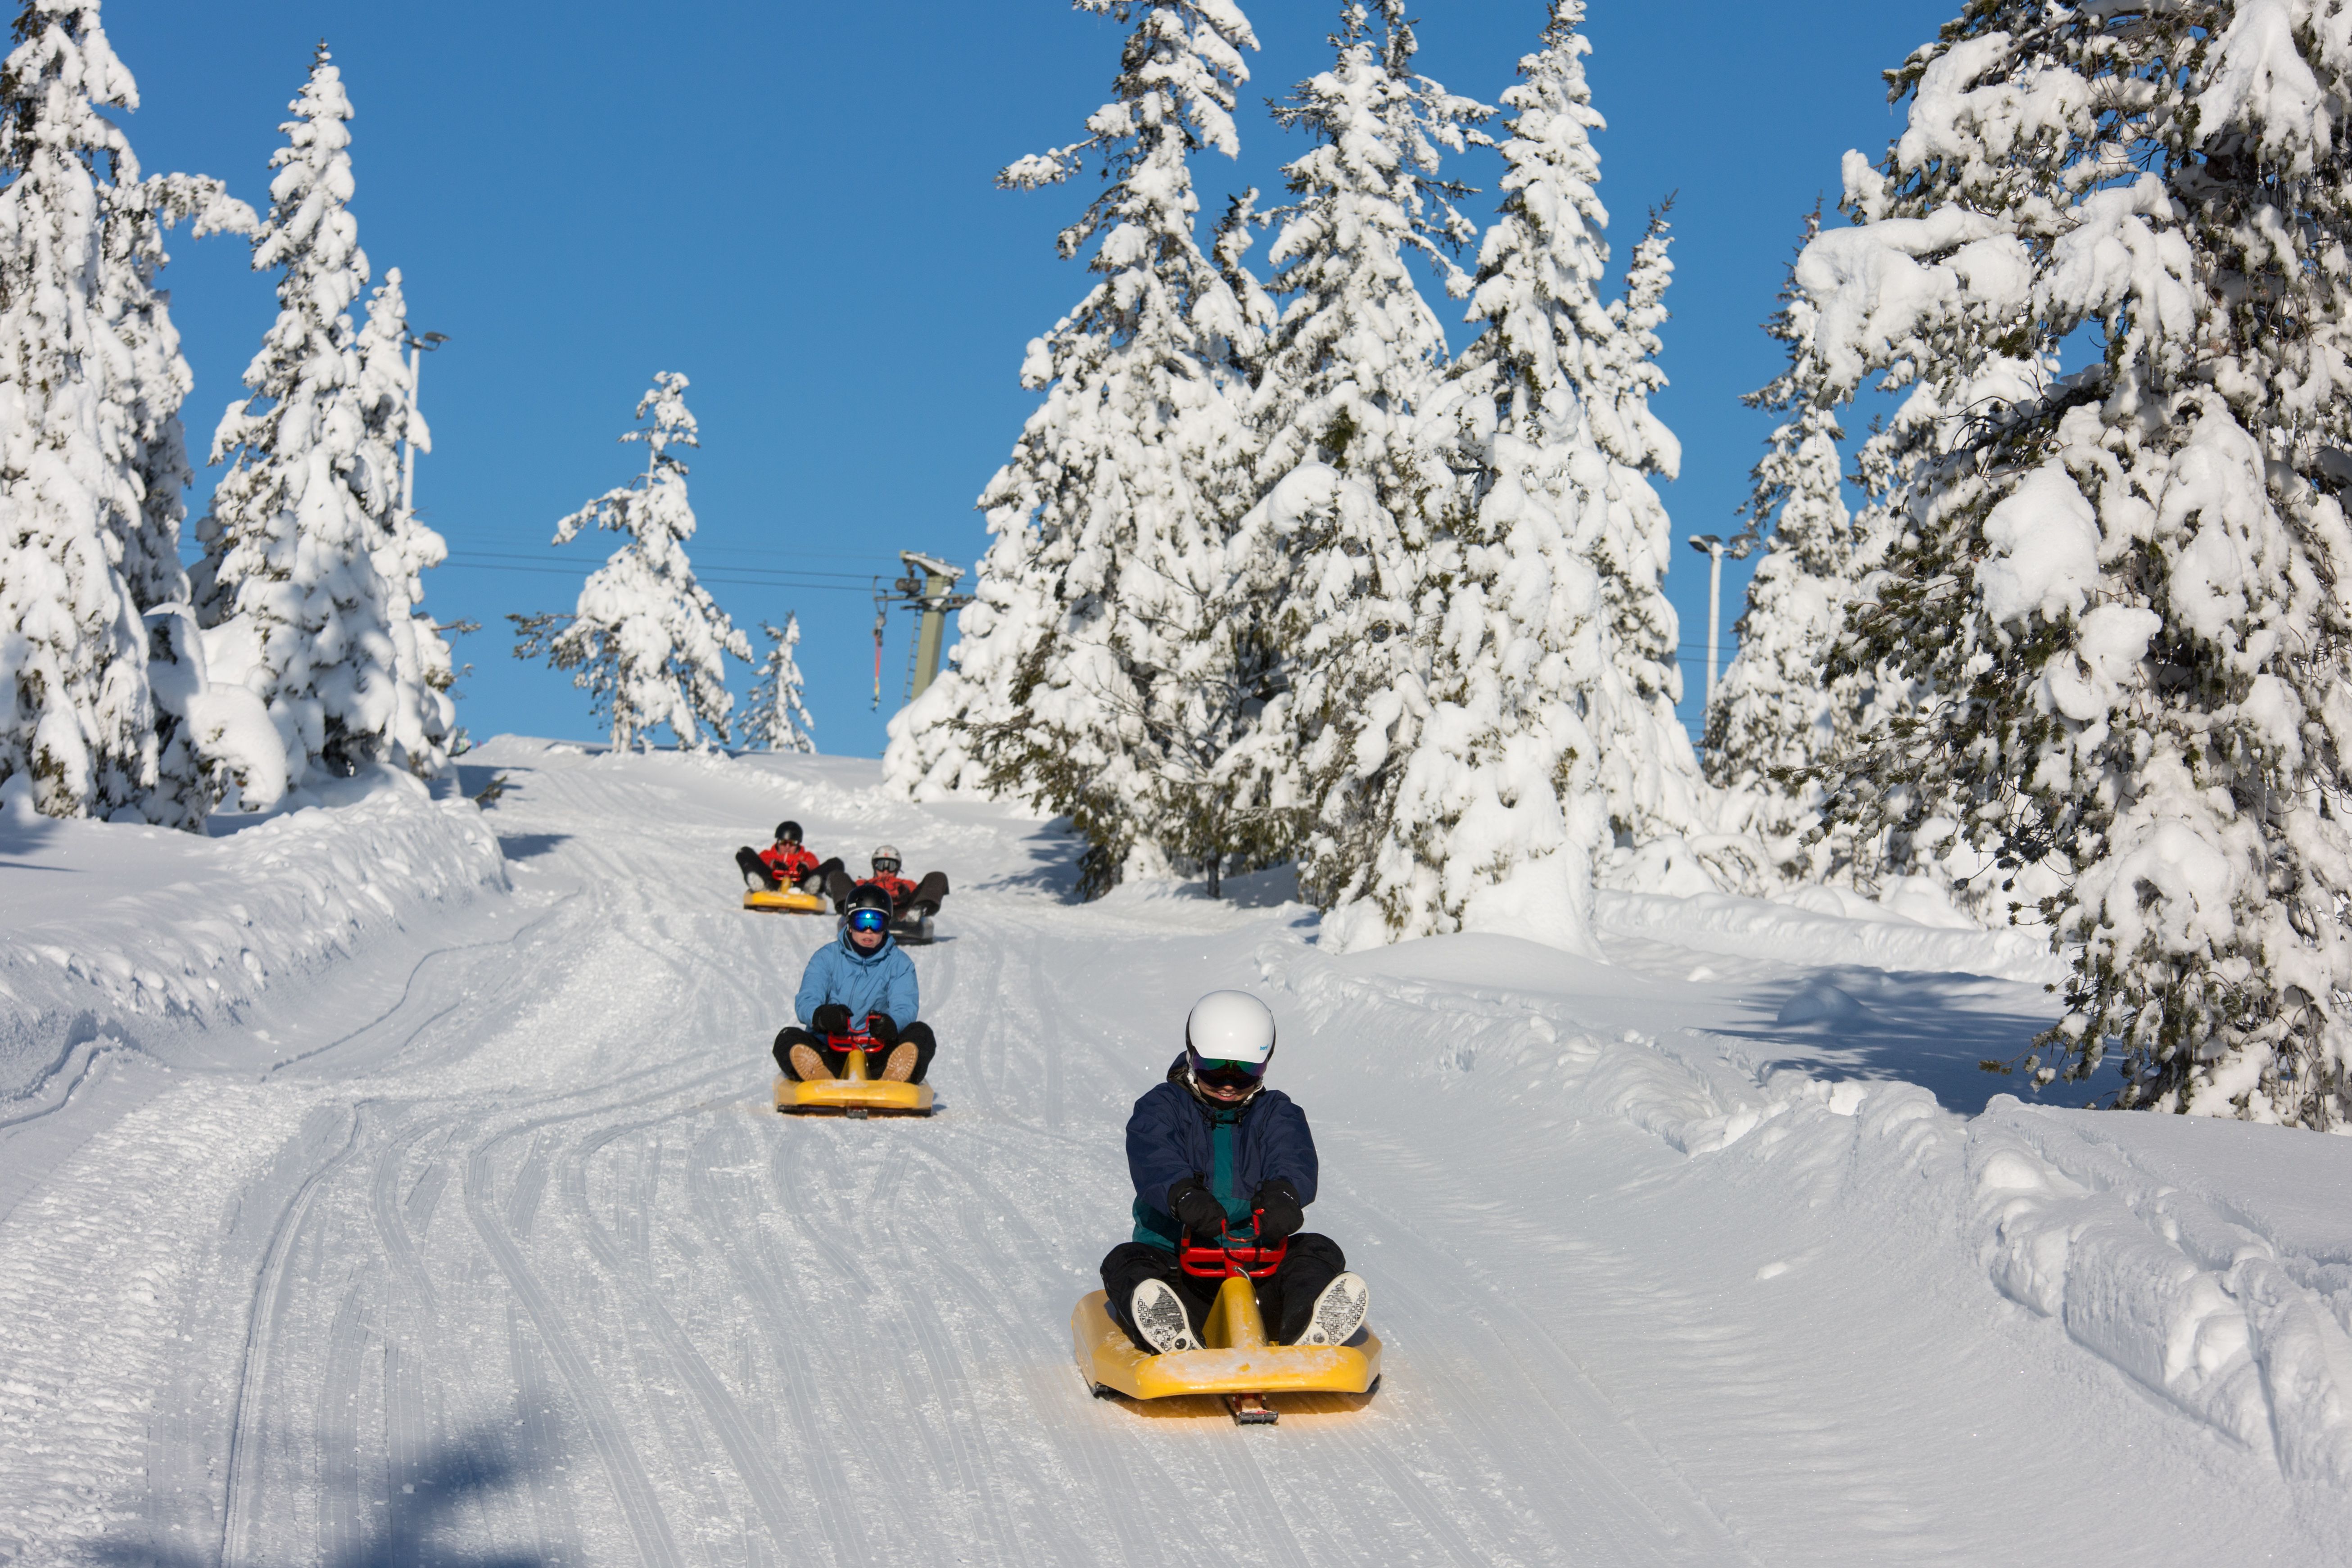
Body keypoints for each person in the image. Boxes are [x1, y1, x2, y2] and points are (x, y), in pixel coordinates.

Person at [1098, 991, 1369, 1354]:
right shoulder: (1163, 1106)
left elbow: (1293, 1154)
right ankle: (1170, 1327)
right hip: (1182, 1271)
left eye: (1245, 1073)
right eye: (1215, 1069)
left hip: (1259, 1269)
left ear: (1265, 1065)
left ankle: (1306, 1325)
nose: (1229, 1082)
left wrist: (1285, 1194)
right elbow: (1154, 1153)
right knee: (1126, 1261)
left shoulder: (1275, 1111)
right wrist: (1183, 1195)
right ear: (1193, 1057)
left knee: (1318, 1250)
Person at [772, 883, 938, 1084]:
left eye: (876, 924)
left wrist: (891, 1024)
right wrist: (823, 1016)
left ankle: (896, 1074)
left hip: (878, 1052)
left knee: (922, 1034)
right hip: (831, 1049)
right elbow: (807, 999)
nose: (868, 931)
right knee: (787, 1038)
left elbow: (905, 1006)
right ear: (850, 923)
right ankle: (817, 1072)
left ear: (886, 926)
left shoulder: (900, 963)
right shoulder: (826, 957)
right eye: (861, 922)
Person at [825, 844, 948, 918]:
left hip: (903, 912)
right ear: (875, 866)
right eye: (881, 865)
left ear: (898, 868)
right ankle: (850, 912)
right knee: (838, 875)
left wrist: (904, 892)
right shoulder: (865, 883)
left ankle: (920, 910)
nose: (886, 870)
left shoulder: (906, 883)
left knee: (937, 876)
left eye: (891, 866)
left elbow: (916, 892)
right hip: (869, 910)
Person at [735, 821, 842, 894]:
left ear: (798, 843)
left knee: (837, 863)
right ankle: (760, 885)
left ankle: (812, 887)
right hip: (771, 882)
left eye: (792, 843)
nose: (787, 847)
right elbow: (761, 861)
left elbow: (813, 863)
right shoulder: (768, 854)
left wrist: (805, 867)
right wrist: (774, 864)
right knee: (744, 852)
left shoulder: (806, 856)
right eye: (783, 842)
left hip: (801, 884)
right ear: (778, 841)